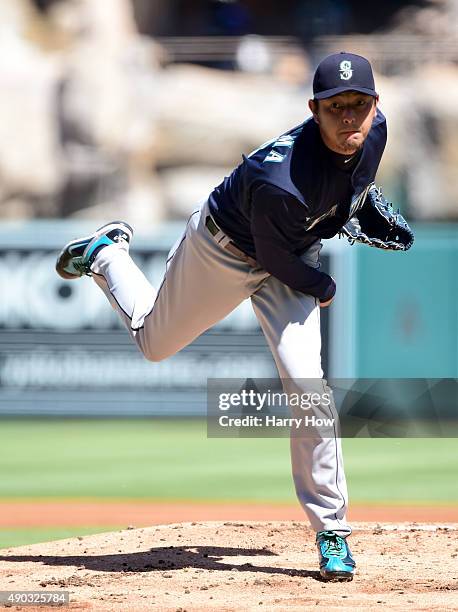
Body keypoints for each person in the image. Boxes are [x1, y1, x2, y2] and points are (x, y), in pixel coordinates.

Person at [56, 52, 394, 581]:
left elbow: (344, 189)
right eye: (335, 108)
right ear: (314, 109)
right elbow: (277, 258)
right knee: (154, 343)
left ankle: (332, 531)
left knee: (309, 387)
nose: (349, 117)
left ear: (375, 105)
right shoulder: (280, 178)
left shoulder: (377, 134)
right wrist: (323, 285)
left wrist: (348, 207)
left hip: (290, 245)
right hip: (228, 247)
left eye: (359, 104)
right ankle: (106, 254)